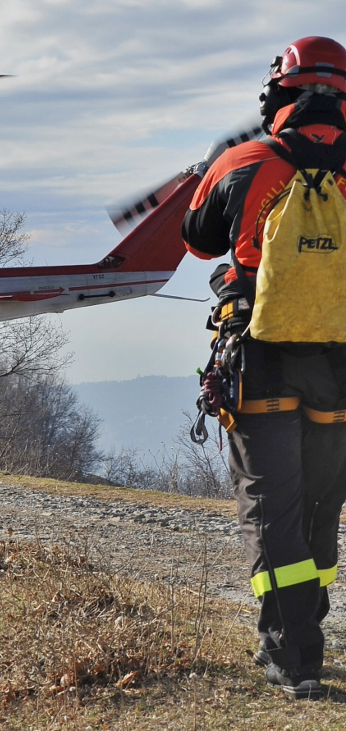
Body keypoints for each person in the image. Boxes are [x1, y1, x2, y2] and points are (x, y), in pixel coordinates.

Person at [182, 35, 346, 700]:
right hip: (341, 370)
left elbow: (197, 239)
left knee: (272, 508)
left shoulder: (247, 161)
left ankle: (293, 655)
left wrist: (211, 169)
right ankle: (304, 628)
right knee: (320, 506)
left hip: (263, 363)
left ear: (277, 94)